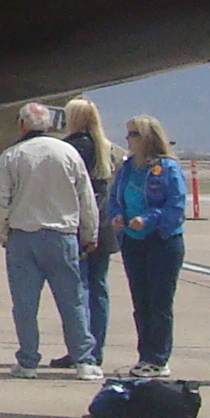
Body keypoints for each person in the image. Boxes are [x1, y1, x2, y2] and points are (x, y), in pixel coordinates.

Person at [0, 101, 97, 377]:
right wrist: (89, 233)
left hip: (23, 237)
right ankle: (84, 360)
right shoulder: (67, 153)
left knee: (25, 305)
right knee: (72, 301)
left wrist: (3, 235)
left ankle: (28, 361)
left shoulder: (12, 156)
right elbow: (86, 198)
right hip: (62, 236)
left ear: (22, 125)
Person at [111, 115, 188, 379]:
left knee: (159, 303)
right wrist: (117, 214)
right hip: (133, 240)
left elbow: (175, 206)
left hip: (162, 241)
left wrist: (148, 219)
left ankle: (158, 358)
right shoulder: (127, 167)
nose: (128, 139)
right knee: (140, 301)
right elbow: (115, 197)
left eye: (133, 134)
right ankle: (145, 355)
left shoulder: (166, 167)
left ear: (147, 138)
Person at [65, 96, 118, 366]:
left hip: (80, 224)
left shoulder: (71, 148)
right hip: (104, 224)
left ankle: (81, 348)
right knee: (99, 289)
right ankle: (96, 350)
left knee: (79, 289)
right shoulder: (105, 147)